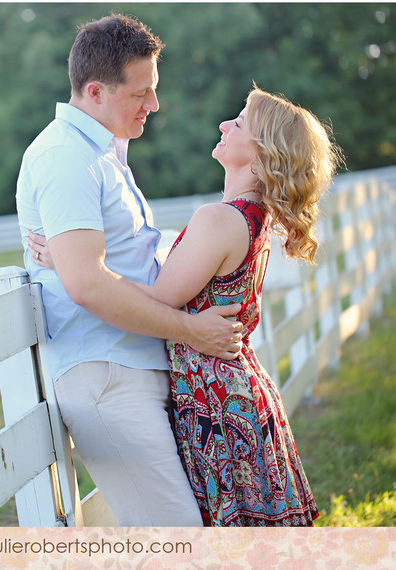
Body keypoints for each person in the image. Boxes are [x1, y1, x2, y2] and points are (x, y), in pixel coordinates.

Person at [30, 85, 343, 526]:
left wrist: (70, 264)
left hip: (217, 400)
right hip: (232, 391)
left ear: (259, 157)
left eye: (237, 123)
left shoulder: (217, 220)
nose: (223, 125)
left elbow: (156, 298)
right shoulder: (252, 218)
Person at [15, 13, 243, 526]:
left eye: (153, 90)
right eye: (141, 93)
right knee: (177, 540)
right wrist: (192, 331)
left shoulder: (105, 153)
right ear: (95, 92)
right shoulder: (64, 157)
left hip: (135, 363)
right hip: (107, 375)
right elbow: (87, 284)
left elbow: (124, 262)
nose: (154, 105)